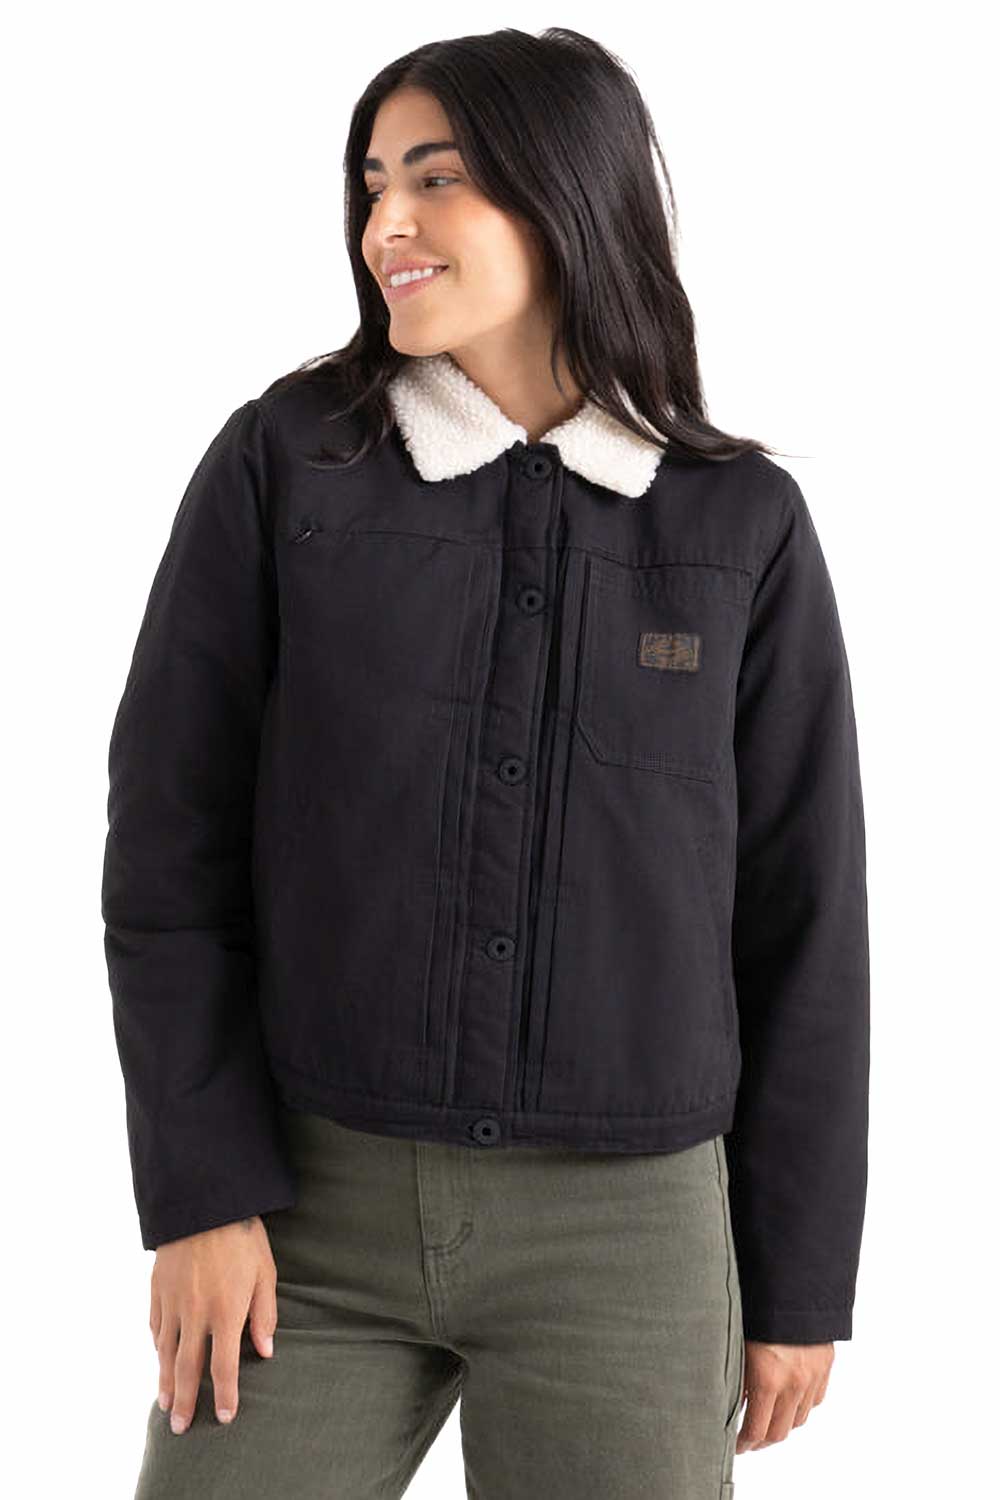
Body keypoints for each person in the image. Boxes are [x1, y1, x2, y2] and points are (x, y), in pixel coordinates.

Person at [101, 26, 870, 1500]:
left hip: (629, 1239)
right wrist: (199, 1194)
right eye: (373, 184)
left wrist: (798, 1278)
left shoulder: (740, 527)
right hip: (304, 1212)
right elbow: (168, 857)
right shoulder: (286, 464)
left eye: (436, 179)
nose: (386, 224)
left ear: (566, 193)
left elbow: (804, 922)